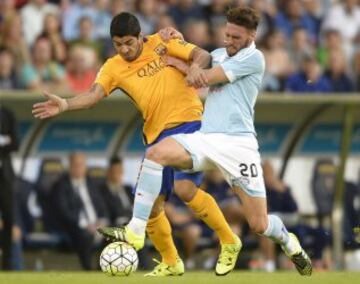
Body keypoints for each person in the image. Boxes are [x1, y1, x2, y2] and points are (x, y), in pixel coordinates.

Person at [99, 7, 313, 276]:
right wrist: (174, 40)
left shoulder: (255, 59)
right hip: (207, 137)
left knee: (258, 224)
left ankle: (288, 241)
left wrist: (185, 60)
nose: (229, 42)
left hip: (240, 146)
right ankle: (136, 229)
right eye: (227, 35)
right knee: (156, 155)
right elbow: (196, 62)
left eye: (236, 37)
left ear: (252, 35)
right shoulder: (219, 54)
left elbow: (206, 76)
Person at [32, 12, 240, 276]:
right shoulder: (113, 67)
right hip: (156, 135)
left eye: (129, 42)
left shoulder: (162, 42)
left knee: (184, 190)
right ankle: (171, 261)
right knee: (152, 206)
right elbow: (94, 95)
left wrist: (197, 67)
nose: (124, 49)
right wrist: (65, 104)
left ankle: (229, 240)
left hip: (188, 122)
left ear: (140, 36)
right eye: (118, 44)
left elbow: (202, 54)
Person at [0, 106, 19, 270]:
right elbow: (8, 142)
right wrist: (3, 140)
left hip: (5, 176)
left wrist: (5, 142)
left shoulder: (7, 113)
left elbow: (16, 144)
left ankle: (6, 265)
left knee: (9, 219)